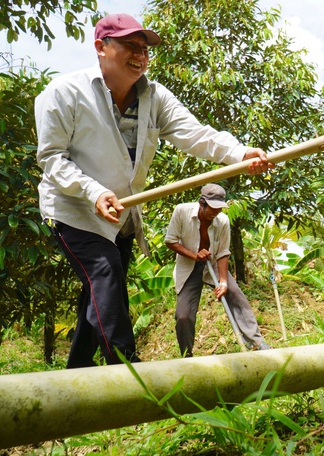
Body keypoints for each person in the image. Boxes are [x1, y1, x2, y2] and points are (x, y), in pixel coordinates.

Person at [35, 13, 274, 368]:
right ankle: (130, 370)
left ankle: (74, 378)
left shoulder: (155, 97)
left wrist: (239, 153)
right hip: (72, 207)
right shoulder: (64, 94)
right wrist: (93, 192)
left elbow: (195, 134)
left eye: (145, 49)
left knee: (100, 294)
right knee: (105, 273)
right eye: (130, 46)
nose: (141, 55)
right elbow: (53, 158)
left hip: (121, 215)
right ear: (101, 47)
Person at [165, 184, 271, 356]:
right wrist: (194, 255)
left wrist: (223, 281)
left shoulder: (222, 221)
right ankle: (187, 355)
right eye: (212, 208)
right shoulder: (182, 211)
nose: (215, 212)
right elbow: (170, 241)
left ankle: (256, 342)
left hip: (213, 262)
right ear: (202, 202)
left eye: (219, 208)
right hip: (189, 265)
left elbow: (222, 252)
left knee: (236, 295)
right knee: (183, 315)